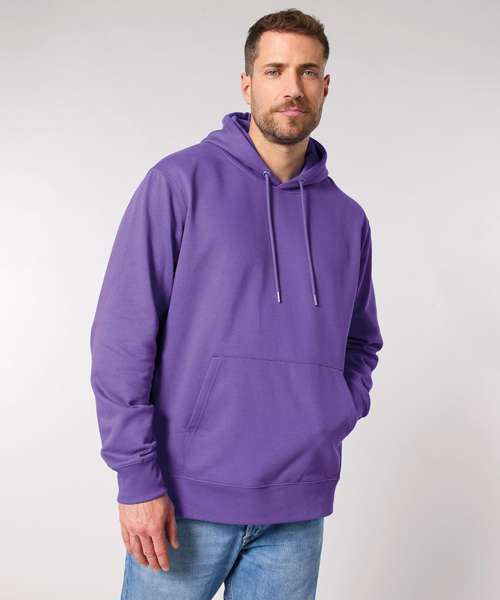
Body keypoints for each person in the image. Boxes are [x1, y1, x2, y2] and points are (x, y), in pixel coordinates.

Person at [90, 8, 384, 600]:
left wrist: (329, 411)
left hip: (297, 508)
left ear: (325, 86)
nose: (292, 87)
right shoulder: (179, 184)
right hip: (182, 501)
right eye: (275, 70)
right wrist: (136, 478)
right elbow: (122, 337)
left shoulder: (347, 219)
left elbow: (361, 343)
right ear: (247, 83)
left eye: (308, 71)